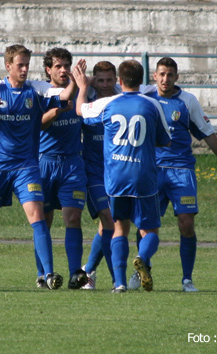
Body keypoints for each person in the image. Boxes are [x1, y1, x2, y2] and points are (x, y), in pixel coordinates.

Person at [0, 44, 83, 289]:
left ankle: (48, 275)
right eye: (21, 65)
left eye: (28, 64)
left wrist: (77, 81)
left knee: (37, 216)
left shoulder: (36, 89)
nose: (25, 69)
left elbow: (62, 96)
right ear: (9, 66)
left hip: (26, 166)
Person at [127, 57, 217, 292]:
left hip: (182, 173)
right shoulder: (145, 99)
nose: (165, 79)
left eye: (170, 75)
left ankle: (187, 279)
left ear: (177, 77)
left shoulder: (187, 101)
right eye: (161, 74)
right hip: (152, 172)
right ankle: (140, 271)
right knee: (146, 226)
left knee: (186, 224)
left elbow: (208, 133)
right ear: (155, 76)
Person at [74, 60, 171, 293]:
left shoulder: (108, 103)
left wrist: (81, 88)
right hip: (143, 176)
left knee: (119, 229)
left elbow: (80, 110)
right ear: (142, 80)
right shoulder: (152, 104)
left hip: (116, 177)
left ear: (119, 81)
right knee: (150, 231)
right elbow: (165, 139)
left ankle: (119, 284)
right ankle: (142, 257)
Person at [35, 48, 88, 290]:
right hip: (44, 163)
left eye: (67, 65)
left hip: (72, 163)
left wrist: (85, 82)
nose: (64, 70)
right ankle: (44, 274)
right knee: (43, 220)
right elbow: (39, 125)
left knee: (73, 218)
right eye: (58, 66)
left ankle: (76, 272)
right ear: (48, 70)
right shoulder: (40, 92)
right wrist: (58, 109)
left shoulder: (80, 88)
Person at [81, 61, 121, 290]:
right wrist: (84, 85)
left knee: (107, 226)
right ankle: (117, 279)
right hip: (93, 172)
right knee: (108, 220)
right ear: (93, 80)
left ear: (116, 80)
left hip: (118, 173)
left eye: (109, 80)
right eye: (100, 80)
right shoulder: (86, 101)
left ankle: (88, 271)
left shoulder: (122, 101)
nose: (105, 85)